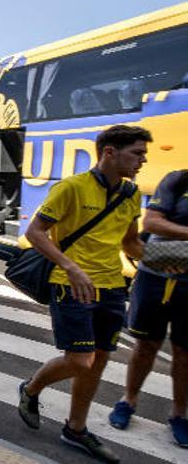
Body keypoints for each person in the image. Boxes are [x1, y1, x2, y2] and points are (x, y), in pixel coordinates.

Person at [17, 125, 151, 463]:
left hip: (111, 287)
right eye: (136, 153)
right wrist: (71, 266)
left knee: (99, 359)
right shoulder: (72, 188)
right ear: (109, 152)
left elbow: (130, 242)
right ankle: (31, 388)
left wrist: (162, 262)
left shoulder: (132, 194)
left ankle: (75, 429)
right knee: (80, 359)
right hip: (69, 282)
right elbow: (35, 232)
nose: (142, 161)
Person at [108, 169, 188, 447]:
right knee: (145, 346)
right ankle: (128, 400)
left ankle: (179, 414)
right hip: (155, 274)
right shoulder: (178, 180)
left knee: (184, 353)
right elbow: (152, 223)